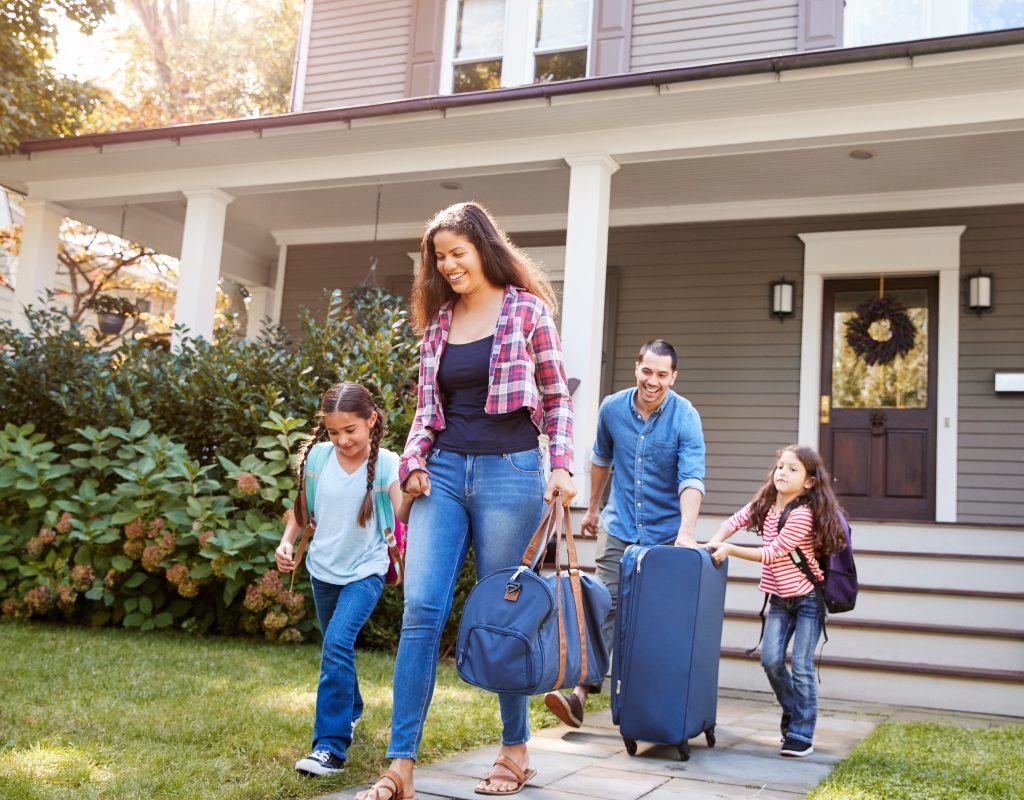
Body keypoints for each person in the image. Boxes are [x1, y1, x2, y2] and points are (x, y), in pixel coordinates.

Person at [356, 201, 575, 800]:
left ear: (483, 247)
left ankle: (514, 750)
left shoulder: (527, 311)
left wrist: (560, 466)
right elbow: (427, 413)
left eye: (458, 252)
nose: (449, 265)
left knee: (506, 616)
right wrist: (415, 463)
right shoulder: (437, 326)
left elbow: (556, 399)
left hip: (511, 472)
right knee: (421, 611)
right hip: (445, 473)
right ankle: (400, 764)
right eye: (439, 257)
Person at [543, 338, 706, 729]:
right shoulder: (613, 408)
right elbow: (601, 459)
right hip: (619, 527)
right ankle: (580, 694)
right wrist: (594, 508)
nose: (653, 381)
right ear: (637, 368)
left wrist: (687, 530)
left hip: (666, 534)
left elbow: (691, 478)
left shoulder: (685, 417)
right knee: (606, 604)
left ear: (674, 377)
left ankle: (648, 703)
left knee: (654, 618)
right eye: (647, 371)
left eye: (662, 374)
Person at [275, 382, 402, 776]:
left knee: (336, 644)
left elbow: (405, 513)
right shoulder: (318, 458)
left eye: (351, 430)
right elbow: (302, 506)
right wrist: (286, 543)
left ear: (371, 421)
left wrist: (415, 487)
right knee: (337, 649)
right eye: (334, 432)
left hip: (366, 570)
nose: (343, 439)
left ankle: (329, 747)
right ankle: (352, 708)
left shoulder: (387, 463)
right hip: (323, 570)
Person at [704, 445, 848, 758]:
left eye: (792, 469)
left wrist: (729, 550)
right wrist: (717, 539)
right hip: (780, 600)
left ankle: (800, 733)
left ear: (809, 482)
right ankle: (797, 709)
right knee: (770, 661)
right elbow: (736, 519)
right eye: (780, 466)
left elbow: (771, 553)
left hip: (809, 599)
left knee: (802, 665)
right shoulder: (767, 502)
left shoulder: (802, 515)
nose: (782, 472)